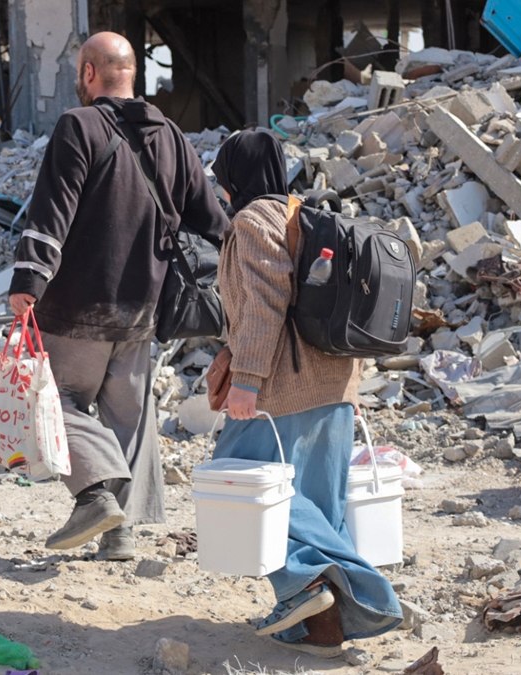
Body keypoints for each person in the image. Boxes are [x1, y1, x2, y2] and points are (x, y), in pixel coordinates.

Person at [7, 32, 229, 561]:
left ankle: (92, 496)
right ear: (133, 74)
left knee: (51, 401)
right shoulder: (171, 135)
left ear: (88, 73)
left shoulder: (77, 126)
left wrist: (28, 280)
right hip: (142, 311)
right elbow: (215, 221)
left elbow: (51, 210)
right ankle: (121, 534)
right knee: (130, 418)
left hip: (78, 309)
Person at [210, 130, 402, 658]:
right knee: (317, 503)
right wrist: (354, 386)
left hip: (281, 386)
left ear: (233, 179)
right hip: (335, 382)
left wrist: (245, 380)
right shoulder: (309, 215)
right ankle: (325, 629)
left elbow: (265, 304)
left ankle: (337, 588)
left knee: (249, 485)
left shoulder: (252, 222)